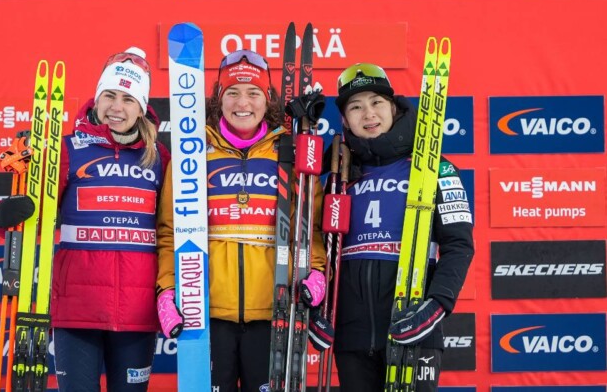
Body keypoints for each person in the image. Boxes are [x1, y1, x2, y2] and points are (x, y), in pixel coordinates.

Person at [0, 48, 170, 391]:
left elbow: (171, 228)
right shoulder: (67, 150)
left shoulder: (159, 159)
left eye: (128, 99)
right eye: (109, 96)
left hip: (137, 312)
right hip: (77, 308)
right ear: (97, 99)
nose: (116, 107)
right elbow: (34, 212)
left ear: (141, 107)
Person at [155, 50, 327, 391]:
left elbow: (310, 227)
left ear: (268, 100)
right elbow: (170, 231)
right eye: (232, 92)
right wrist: (167, 288)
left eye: (253, 93)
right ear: (220, 99)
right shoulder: (193, 154)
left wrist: (316, 272)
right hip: (206, 312)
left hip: (275, 310)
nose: (242, 102)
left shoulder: (288, 154)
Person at [330, 63, 474, 392]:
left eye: (376, 102)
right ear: (345, 119)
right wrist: (321, 310)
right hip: (352, 336)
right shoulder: (339, 174)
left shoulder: (436, 167)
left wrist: (436, 305)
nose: (368, 113)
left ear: (393, 107)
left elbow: (459, 245)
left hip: (413, 326)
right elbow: (324, 246)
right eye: (355, 106)